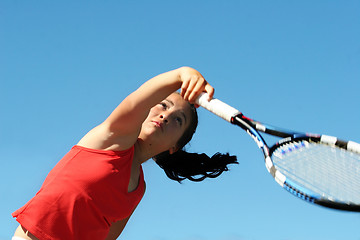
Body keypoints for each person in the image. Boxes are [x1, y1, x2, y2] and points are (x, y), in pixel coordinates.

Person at [12, 66, 238, 240]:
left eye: (178, 120)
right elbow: (138, 98)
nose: (166, 116)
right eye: (163, 105)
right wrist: (182, 73)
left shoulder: (138, 189)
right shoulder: (113, 137)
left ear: (175, 147)